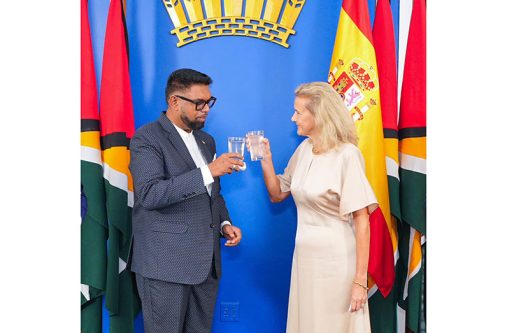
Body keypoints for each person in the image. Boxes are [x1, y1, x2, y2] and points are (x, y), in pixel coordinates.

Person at [253, 82, 377, 332]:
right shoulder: (305, 149)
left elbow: (362, 221)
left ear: (319, 115)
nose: (293, 118)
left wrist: (360, 282)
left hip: (337, 262)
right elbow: (278, 193)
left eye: (299, 112)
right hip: (306, 260)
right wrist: (266, 158)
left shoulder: (347, 155)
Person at [129, 68, 244, 333]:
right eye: (199, 103)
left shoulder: (206, 140)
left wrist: (225, 223)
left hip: (206, 264)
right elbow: (150, 194)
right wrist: (209, 170)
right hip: (165, 264)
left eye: (209, 102)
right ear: (174, 101)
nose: (206, 109)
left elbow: (213, 193)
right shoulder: (147, 138)